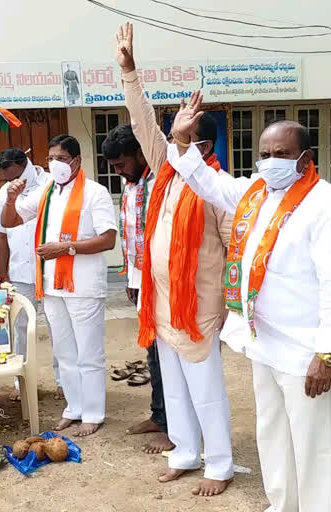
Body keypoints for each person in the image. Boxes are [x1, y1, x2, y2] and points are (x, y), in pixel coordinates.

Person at [167, 88, 331, 510]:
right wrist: (181, 142)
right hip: (264, 340)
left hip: (306, 349)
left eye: (281, 152)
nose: (271, 160)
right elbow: (210, 184)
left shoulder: (328, 208)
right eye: (265, 152)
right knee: (272, 432)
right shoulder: (258, 194)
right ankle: (281, 504)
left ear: (305, 159)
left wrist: (326, 355)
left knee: (312, 443)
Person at [116, 22, 234, 497]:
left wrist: (230, 308)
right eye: (171, 136)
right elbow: (144, 124)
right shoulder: (166, 172)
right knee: (177, 387)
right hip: (161, 302)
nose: (170, 143)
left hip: (200, 305)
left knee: (205, 389)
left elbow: (236, 251)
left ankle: (219, 464)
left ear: (203, 144)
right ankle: (185, 452)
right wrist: (129, 71)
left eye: (183, 136)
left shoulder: (219, 187)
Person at [1, 135, 117, 437]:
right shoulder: (46, 193)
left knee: (88, 353)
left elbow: (108, 239)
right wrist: (11, 198)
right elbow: (10, 221)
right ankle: (74, 407)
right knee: (64, 351)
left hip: (84, 287)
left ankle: (93, 412)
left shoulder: (95, 193)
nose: (55, 164)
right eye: (51, 158)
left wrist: (66, 249)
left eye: (62, 158)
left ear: (76, 161)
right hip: (52, 286)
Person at [101, 124, 174, 455]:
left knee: (168, 356)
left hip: (163, 283)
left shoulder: (159, 183)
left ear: (141, 154)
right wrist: (131, 281)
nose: (117, 171)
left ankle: (175, 426)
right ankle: (159, 415)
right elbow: (133, 239)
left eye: (121, 164)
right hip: (140, 282)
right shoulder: (132, 187)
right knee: (152, 353)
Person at [0, 147, 63, 401]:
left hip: (51, 267)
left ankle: (64, 382)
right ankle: (23, 382)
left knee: (58, 325)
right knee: (20, 328)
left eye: (12, 173)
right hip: (20, 271)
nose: (10, 180)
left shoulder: (51, 183)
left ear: (24, 164)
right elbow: (0, 234)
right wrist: (3, 275)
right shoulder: (5, 191)